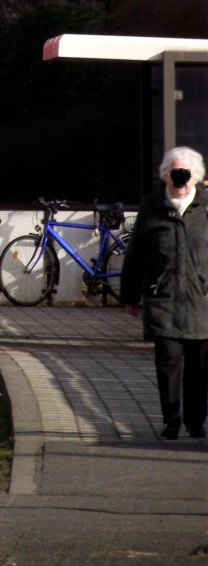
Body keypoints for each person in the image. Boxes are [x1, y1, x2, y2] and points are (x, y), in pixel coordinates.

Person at [120, 146, 208, 440]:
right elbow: (136, 255)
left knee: (199, 366)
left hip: (202, 300)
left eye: (186, 173)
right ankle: (172, 420)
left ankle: (196, 421)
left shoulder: (206, 207)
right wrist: (130, 295)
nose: (180, 179)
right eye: (175, 172)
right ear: (166, 175)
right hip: (164, 298)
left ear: (196, 177)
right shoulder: (152, 206)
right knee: (168, 363)